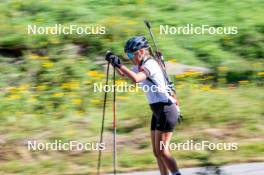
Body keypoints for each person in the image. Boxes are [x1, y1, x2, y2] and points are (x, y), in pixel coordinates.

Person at [106, 36, 181, 175]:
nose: (129, 57)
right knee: (156, 152)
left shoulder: (150, 64)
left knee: (163, 151)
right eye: (127, 54)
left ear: (141, 52)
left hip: (166, 109)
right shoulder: (139, 65)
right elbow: (124, 74)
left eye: (130, 54)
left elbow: (135, 79)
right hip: (157, 111)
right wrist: (115, 63)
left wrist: (120, 64)